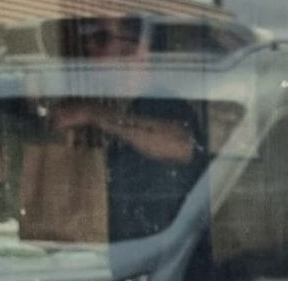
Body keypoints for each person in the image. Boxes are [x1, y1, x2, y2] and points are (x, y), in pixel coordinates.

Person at [51, 14, 206, 241]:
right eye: (88, 39)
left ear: (133, 50)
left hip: (162, 256)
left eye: (101, 38)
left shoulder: (165, 105)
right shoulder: (119, 108)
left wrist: (93, 114)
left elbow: (182, 145)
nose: (90, 47)